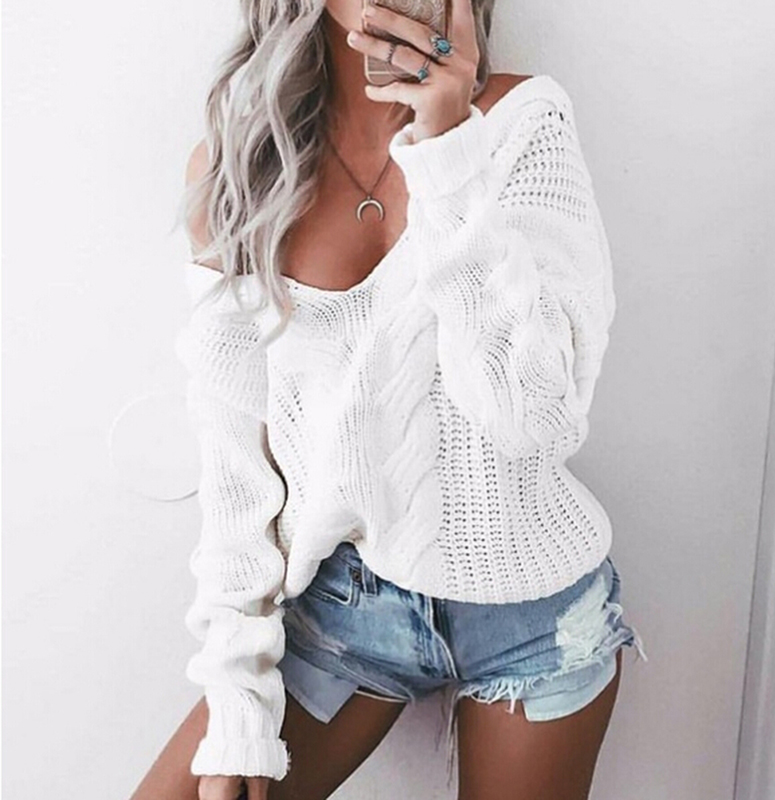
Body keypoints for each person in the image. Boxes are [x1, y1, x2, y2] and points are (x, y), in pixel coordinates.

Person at [130, 1, 648, 799]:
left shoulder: (524, 122)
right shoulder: (240, 169)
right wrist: (237, 703)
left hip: (536, 616)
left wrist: (448, 146)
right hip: (346, 608)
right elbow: (235, 474)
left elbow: (536, 420)